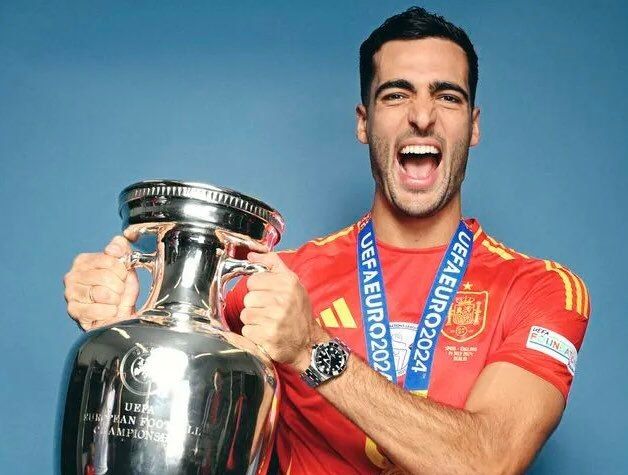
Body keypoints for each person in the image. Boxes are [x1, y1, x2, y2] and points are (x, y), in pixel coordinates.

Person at [64, 7, 590, 474]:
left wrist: (311, 349)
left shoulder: (541, 289)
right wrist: (129, 316)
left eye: (446, 96)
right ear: (364, 122)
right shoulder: (274, 281)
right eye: (396, 94)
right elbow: (174, 393)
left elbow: (487, 462)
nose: (422, 116)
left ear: (473, 126)